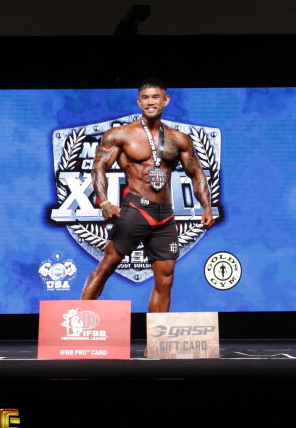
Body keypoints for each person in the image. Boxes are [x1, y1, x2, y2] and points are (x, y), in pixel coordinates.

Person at [81, 78, 214, 316]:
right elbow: (98, 166)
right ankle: (78, 324)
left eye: (155, 97)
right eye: (145, 97)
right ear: (138, 102)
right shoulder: (121, 135)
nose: (150, 102)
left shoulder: (179, 139)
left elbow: (197, 174)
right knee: (107, 266)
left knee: (165, 279)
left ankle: (156, 335)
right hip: (136, 210)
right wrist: (105, 202)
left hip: (165, 217)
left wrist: (207, 207)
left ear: (166, 100)